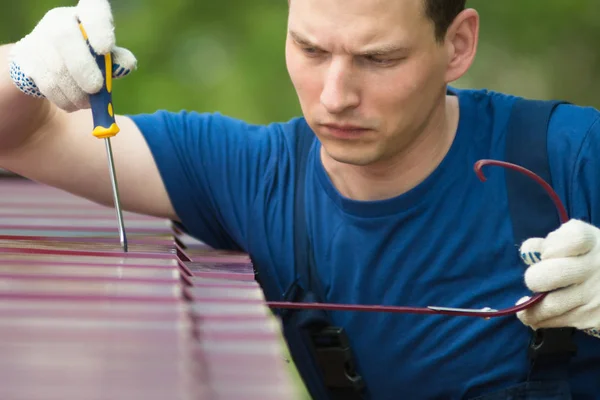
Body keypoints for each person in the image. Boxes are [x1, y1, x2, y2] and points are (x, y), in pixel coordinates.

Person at [1, 0, 599, 398]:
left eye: (377, 59)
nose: (334, 97)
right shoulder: (255, 176)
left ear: (458, 44)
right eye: (312, 51)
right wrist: (24, 70)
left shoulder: (574, 155)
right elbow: (23, 136)